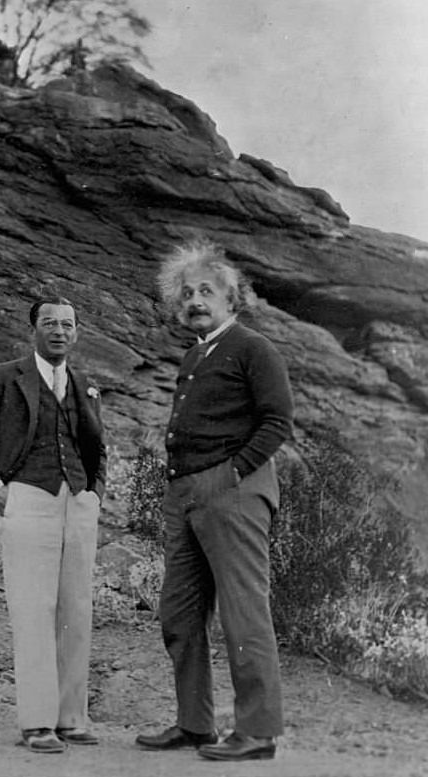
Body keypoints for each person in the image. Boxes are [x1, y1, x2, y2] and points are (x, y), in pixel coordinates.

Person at [136, 238, 293, 762]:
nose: (195, 300)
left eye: (206, 290)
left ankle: (258, 732)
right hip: (185, 494)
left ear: (230, 299)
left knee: (243, 614)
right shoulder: (193, 355)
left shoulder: (252, 347)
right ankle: (195, 724)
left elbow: (277, 422)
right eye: (186, 293)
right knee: (179, 614)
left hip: (234, 492)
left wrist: (231, 475)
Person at [0, 296, 107, 754]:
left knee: (76, 611)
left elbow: (98, 446)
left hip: (77, 503)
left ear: (77, 333)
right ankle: (38, 722)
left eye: (68, 324)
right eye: (50, 323)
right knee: (33, 611)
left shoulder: (83, 382)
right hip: (26, 500)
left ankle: (71, 718)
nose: (59, 331)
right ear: (33, 330)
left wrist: (94, 491)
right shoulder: (4, 376)